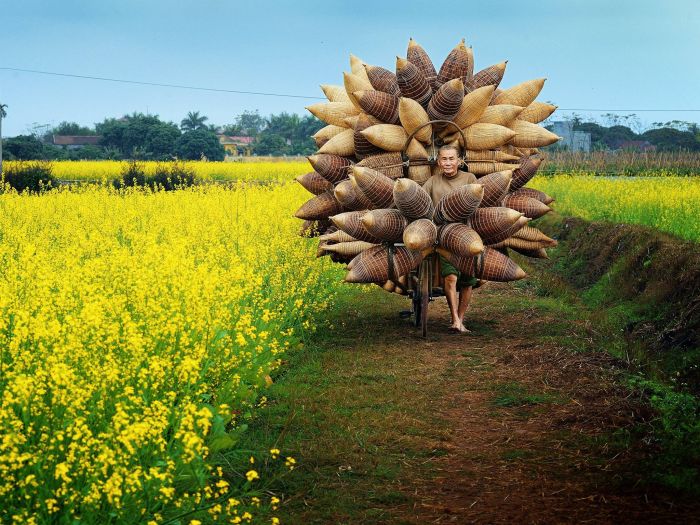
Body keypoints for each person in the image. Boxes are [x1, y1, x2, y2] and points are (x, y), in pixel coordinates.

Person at [422, 144, 479, 333]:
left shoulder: (469, 178)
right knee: (451, 277)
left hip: (467, 235)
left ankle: (461, 319)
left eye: (451, 159)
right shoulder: (432, 182)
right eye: (444, 159)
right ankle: (454, 318)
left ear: (459, 160)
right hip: (444, 238)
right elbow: (421, 203)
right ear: (438, 162)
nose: (448, 163)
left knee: (467, 282)